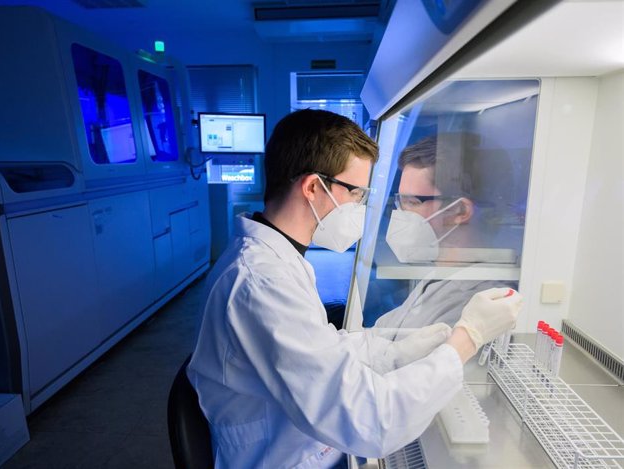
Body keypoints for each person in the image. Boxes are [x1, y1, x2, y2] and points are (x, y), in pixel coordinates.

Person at [187, 110, 522, 469]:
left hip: (302, 444)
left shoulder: (279, 260)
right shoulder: (262, 282)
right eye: (356, 192)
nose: (362, 207)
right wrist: (467, 339)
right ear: (314, 187)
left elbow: (324, 349)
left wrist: (399, 353)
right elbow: (370, 422)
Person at [377, 134, 518, 329]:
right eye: (400, 201)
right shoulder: (441, 273)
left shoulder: (480, 301)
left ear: (460, 211)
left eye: (412, 202)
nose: (401, 212)